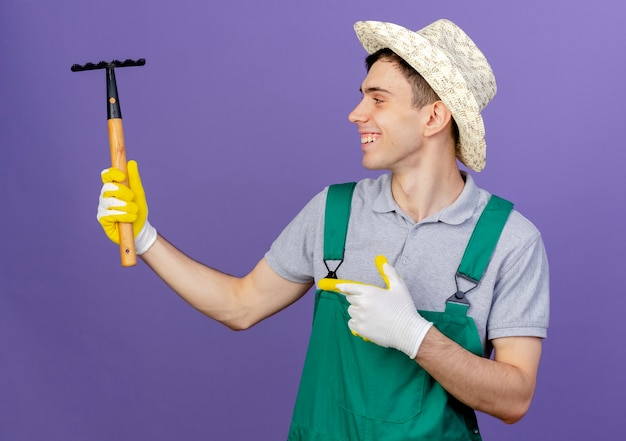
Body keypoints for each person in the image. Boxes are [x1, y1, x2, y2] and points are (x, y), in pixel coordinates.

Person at [97, 19, 549, 440]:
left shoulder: (510, 240)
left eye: (377, 99)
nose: (356, 114)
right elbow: (239, 306)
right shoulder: (334, 213)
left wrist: (416, 336)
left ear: (433, 118)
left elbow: (514, 398)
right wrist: (144, 237)